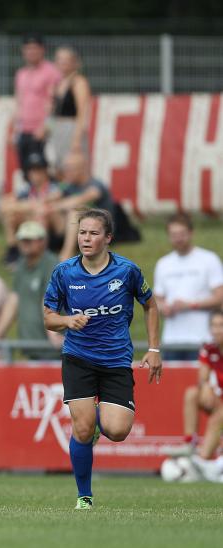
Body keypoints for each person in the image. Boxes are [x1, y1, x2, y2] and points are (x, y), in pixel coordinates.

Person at [43, 208, 161, 509]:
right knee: (81, 429)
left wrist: (153, 348)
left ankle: (96, 422)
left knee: (118, 430)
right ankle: (84, 496)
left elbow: (150, 305)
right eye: (82, 232)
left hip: (116, 361)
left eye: (93, 233)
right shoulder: (65, 272)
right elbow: (49, 319)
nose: (86, 238)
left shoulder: (126, 271)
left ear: (108, 238)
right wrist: (67, 321)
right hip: (78, 358)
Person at [153, 214, 223, 361]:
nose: (178, 238)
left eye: (182, 234)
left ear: (191, 233)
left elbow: (220, 297)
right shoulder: (163, 264)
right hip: (171, 341)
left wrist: (191, 305)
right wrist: (163, 307)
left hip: (202, 339)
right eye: (173, 234)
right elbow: (156, 301)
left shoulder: (208, 259)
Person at [0, 221, 63, 360]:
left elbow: (50, 298)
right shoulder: (21, 265)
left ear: (42, 241)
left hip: (54, 351)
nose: (24, 244)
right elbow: (14, 300)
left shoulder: (52, 264)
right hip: (33, 349)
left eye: (29, 240)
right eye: (22, 240)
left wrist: (53, 334)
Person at [0, 153, 62, 263]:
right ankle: (13, 249)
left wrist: (21, 206)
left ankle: (39, 252)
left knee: (41, 213)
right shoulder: (26, 189)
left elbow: (46, 202)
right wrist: (25, 207)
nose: (34, 174)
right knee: (10, 215)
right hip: (31, 221)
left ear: (45, 171)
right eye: (31, 170)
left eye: (38, 170)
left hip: (52, 230)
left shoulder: (53, 187)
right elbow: (4, 204)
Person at [13, 34, 61, 179]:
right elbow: (19, 102)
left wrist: (47, 127)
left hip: (41, 132)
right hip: (24, 130)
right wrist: (15, 127)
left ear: (42, 50)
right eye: (28, 49)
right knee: (26, 173)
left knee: (43, 173)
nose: (31, 52)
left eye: (34, 48)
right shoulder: (21, 74)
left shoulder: (51, 72)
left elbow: (55, 103)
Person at [181, 310, 223, 451]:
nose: (217, 330)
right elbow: (203, 377)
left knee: (217, 417)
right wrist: (205, 386)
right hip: (218, 402)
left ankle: (203, 459)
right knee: (192, 393)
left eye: (220, 325)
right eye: (214, 325)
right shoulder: (209, 349)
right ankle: (189, 444)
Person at [50, 47, 91, 167]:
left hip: (72, 129)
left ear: (74, 62)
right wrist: (48, 129)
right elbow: (53, 113)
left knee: (73, 166)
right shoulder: (58, 84)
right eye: (59, 59)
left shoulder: (79, 82)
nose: (62, 63)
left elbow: (82, 113)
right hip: (57, 129)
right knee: (59, 167)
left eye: (65, 60)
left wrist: (77, 139)